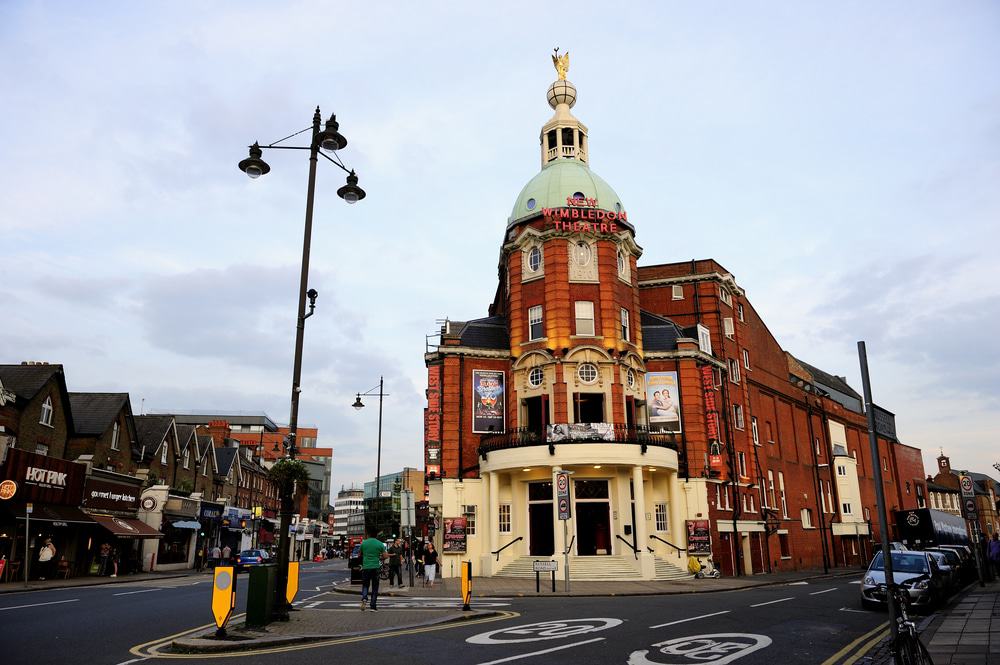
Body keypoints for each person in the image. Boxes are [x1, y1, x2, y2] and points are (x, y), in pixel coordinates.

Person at [359, 526, 387, 611]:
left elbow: (360, 554)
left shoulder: (364, 543)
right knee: (375, 586)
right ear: (376, 535)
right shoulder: (380, 544)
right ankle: (373, 606)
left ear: (369, 535)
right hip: (375, 567)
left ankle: (364, 598)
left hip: (366, 567)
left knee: (365, 585)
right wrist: (379, 557)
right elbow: (385, 556)